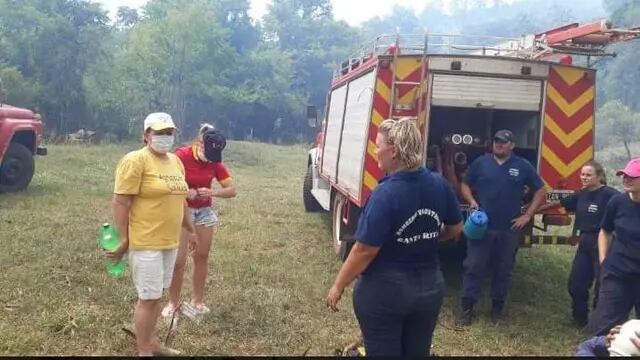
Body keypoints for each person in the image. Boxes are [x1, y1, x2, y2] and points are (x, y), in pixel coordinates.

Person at [325, 118, 464, 356]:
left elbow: (364, 250)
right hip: (429, 291)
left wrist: (338, 285)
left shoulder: (385, 193)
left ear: (394, 151)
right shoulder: (439, 185)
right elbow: (456, 226)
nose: (375, 150)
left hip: (386, 294)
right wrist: (430, 237)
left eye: (378, 145)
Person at [106, 112, 196, 356]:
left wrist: (190, 228)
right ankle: (143, 350)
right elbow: (120, 202)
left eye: (169, 133)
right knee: (148, 298)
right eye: (159, 133)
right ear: (146, 135)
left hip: (169, 240)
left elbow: (181, 199)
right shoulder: (135, 160)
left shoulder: (175, 162)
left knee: (157, 296)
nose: (165, 137)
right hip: (145, 241)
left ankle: (151, 342)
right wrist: (123, 239)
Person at [456, 129, 546, 326]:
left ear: (512, 145)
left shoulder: (523, 166)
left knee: (503, 270)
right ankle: (466, 310)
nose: (499, 144)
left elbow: (540, 190)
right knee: (473, 267)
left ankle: (497, 311)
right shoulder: (481, 163)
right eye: (497, 141)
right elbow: (464, 184)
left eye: (504, 142)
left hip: (509, 229)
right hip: (482, 227)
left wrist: (528, 215)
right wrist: (471, 200)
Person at [162, 123, 236, 318]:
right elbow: (167, 183)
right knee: (178, 261)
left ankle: (198, 301)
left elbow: (231, 190)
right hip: (182, 210)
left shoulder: (214, 160)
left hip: (204, 212)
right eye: (209, 153)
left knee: (201, 256)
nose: (211, 159)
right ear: (199, 143)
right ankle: (173, 303)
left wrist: (213, 192)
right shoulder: (181, 156)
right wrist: (187, 191)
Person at [536, 161, 619, 327]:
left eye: (588, 175)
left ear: (599, 176)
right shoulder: (581, 194)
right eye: (582, 174)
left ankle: (600, 323)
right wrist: (534, 209)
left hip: (605, 242)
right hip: (585, 242)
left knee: (602, 285)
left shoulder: (611, 196)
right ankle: (579, 318)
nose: (584, 177)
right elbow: (560, 203)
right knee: (576, 284)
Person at [589, 158, 640, 336]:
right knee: (605, 330)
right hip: (617, 274)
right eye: (624, 175)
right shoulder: (617, 202)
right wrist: (603, 260)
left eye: (633, 176)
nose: (626, 179)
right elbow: (605, 230)